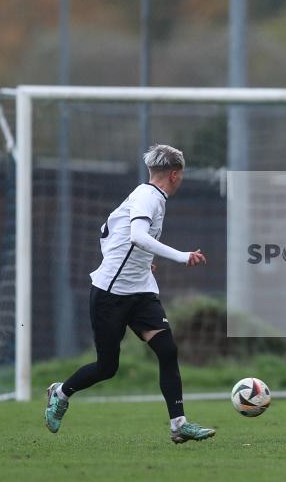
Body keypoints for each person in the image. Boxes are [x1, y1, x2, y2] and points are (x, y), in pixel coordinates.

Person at [44, 145, 214, 444]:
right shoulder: (148, 196)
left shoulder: (148, 197)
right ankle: (60, 393)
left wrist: (141, 262)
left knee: (167, 350)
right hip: (111, 294)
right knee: (107, 367)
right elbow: (136, 236)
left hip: (141, 292)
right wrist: (181, 256)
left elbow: (109, 232)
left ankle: (178, 424)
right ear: (175, 175)